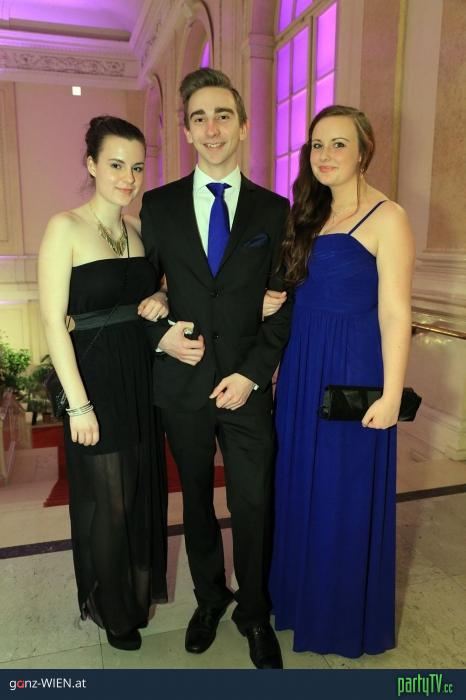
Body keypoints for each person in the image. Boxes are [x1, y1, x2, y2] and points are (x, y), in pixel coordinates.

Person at [140, 68, 291, 669]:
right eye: (198, 118)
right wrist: (159, 333)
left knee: (253, 503)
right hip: (183, 384)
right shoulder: (159, 206)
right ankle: (210, 598)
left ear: (243, 125)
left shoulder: (274, 211)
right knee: (197, 501)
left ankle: (254, 612)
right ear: (186, 130)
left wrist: (252, 374)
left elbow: (286, 303)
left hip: (246, 387)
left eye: (223, 115)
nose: (211, 128)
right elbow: (138, 291)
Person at [269, 105, 415, 658]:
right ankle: (300, 602)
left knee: (342, 494)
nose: (324, 155)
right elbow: (296, 294)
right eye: (316, 145)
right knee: (300, 486)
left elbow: (395, 312)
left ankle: (338, 618)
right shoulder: (307, 215)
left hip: (352, 370)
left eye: (337, 144)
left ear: (363, 151)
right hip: (301, 370)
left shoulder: (388, 217)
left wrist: (393, 393)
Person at [38, 115, 169, 651]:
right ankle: (112, 608)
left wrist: (160, 296)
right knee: (108, 502)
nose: (128, 178)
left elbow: (155, 291)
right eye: (116, 164)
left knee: (138, 495)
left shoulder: (137, 230)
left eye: (136, 167)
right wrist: (78, 405)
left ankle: (135, 596)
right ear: (91, 164)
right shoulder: (64, 227)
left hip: (139, 377)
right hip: (93, 380)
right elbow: (53, 322)